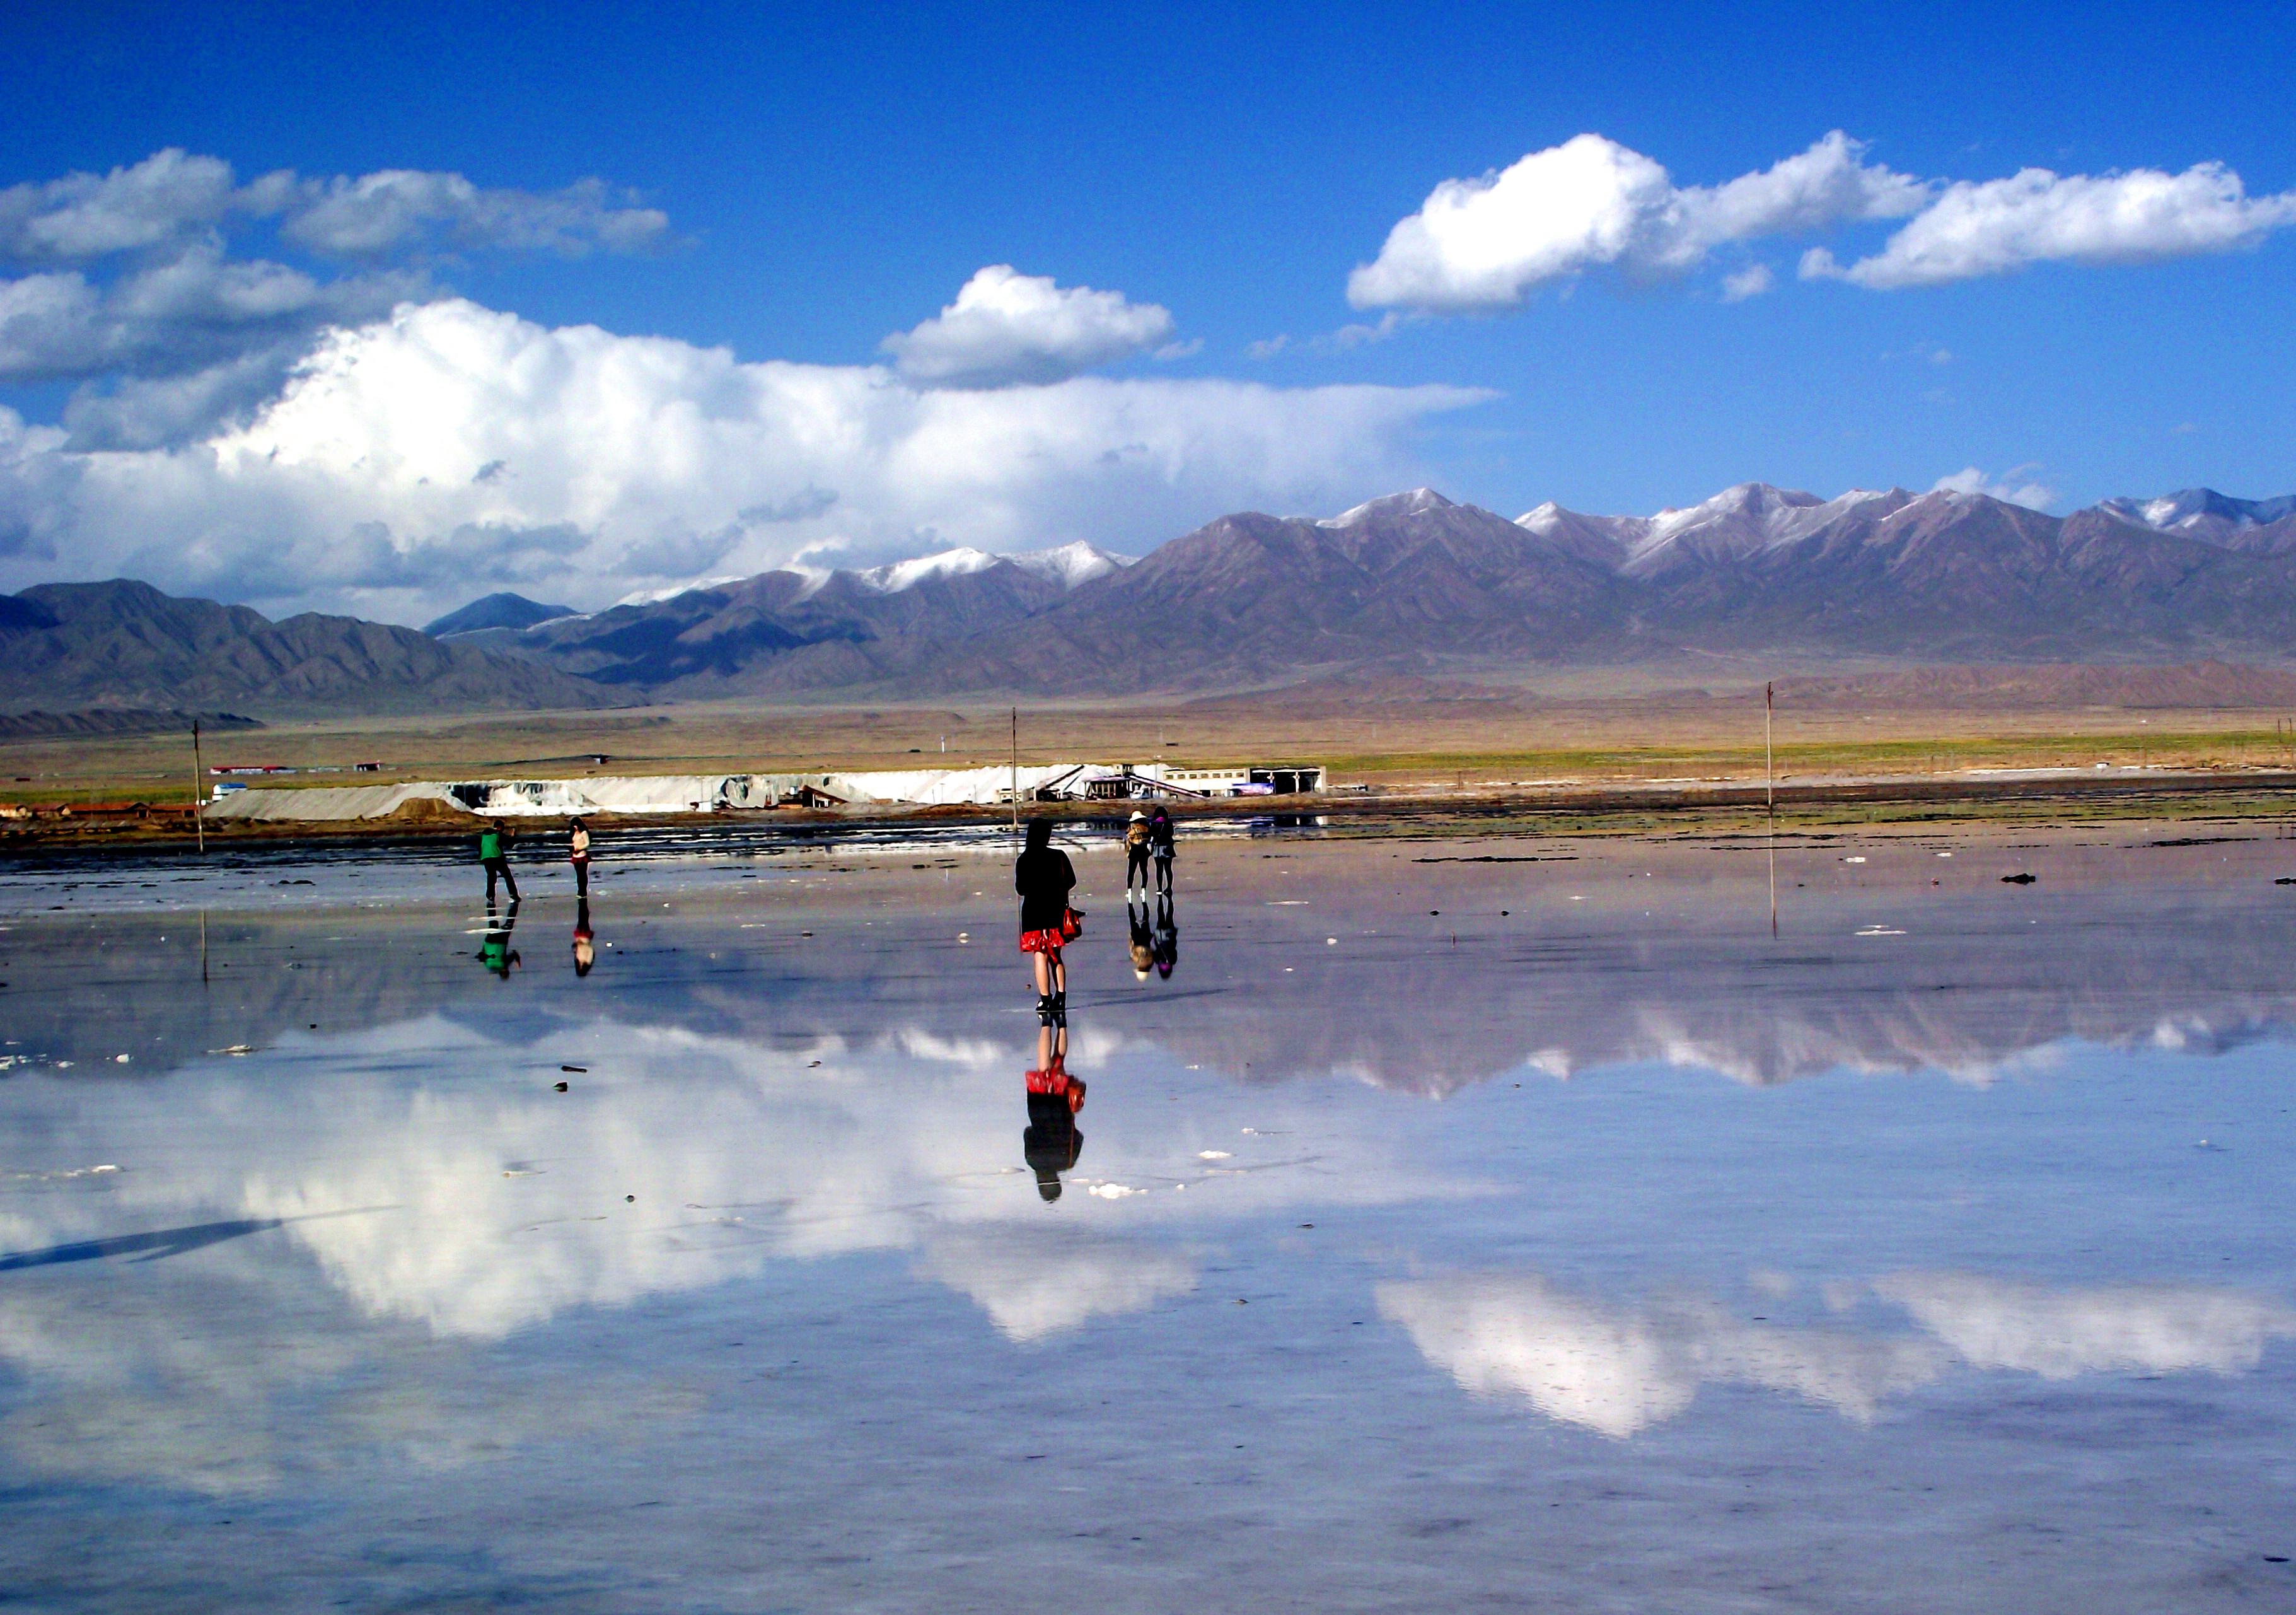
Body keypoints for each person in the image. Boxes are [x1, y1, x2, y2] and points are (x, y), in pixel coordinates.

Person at [1015, 817, 1076, 1026]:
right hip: (1054, 911)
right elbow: (1071, 881)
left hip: (1032, 913)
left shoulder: (1023, 859)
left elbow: (1021, 889)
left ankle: (1045, 999)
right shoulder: (1058, 856)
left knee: (1040, 955)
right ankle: (1061, 996)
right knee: (1056, 955)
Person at [1023, 1022, 1084, 1202]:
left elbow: (1079, 1137)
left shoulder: (1068, 1162)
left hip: (1061, 1108)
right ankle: (1046, 1023)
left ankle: (1062, 1026)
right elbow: (1028, 1133)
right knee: (1043, 1070)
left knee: (1058, 1061)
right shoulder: (1033, 1161)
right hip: (1038, 1108)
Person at [478, 820, 519, 904]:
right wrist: (513, 836)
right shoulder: (498, 834)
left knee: (491, 877)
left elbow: (479, 846)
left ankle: (490, 896)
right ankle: (514, 895)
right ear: (500, 827)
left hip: (486, 858)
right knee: (508, 876)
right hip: (497, 858)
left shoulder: (483, 834)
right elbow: (510, 845)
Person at [479, 900, 521, 979]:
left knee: (509, 923)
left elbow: (514, 954)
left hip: (500, 942)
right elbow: (482, 955)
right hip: (489, 941)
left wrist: (518, 962)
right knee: (493, 923)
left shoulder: (504, 964)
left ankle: (514, 905)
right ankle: (490, 904)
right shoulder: (489, 966)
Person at [1123, 808, 1152, 895]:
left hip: (1135, 850)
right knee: (1144, 871)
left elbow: (1128, 840)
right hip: (1144, 850)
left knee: (1131, 871)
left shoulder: (1133, 830)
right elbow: (1150, 838)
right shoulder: (1147, 828)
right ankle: (1143, 889)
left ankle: (1129, 890)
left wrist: (1127, 851)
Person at [1149, 803, 1176, 894]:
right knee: (1168, 869)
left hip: (1157, 847)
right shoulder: (1169, 823)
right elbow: (1171, 833)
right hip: (1168, 847)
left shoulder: (1154, 823)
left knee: (1159, 869)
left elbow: (1151, 834)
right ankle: (1169, 888)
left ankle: (1159, 889)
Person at [1152, 891, 1178, 981]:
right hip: (1160, 937)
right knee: (1162, 915)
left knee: (1168, 915)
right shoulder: (1160, 961)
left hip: (1168, 936)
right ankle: (1162, 900)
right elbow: (1156, 952)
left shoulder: (1172, 961)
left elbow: (1174, 951)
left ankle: (1167, 900)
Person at [1128, 897, 1154, 980]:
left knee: (1145, 919)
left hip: (1145, 940)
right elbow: (1132, 949)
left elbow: (1152, 950)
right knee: (1133, 920)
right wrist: (1130, 938)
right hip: (1137, 939)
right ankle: (1131, 903)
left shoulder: (1151, 961)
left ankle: (1143, 901)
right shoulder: (1136, 960)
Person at [567, 815, 592, 898]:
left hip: (582, 856)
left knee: (583, 874)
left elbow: (587, 844)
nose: (574, 827)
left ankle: (584, 891)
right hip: (575, 856)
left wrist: (578, 848)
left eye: (575, 825)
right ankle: (580, 891)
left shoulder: (584, 833)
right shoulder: (574, 833)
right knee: (578, 875)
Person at [572, 897, 595, 977]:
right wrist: (581, 945)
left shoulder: (578, 960)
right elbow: (590, 949)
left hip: (579, 937)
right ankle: (583, 904)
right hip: (584, 937)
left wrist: (576, 946)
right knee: (584, 920)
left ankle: (582, 904)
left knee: (581, 919)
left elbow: (577, 950)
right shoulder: (588, 961)